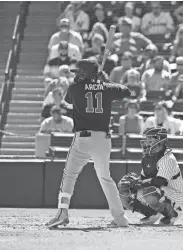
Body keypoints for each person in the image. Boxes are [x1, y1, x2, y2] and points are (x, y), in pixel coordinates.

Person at [45, 59, 134, 228]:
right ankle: (120, 219)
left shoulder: (74, 88)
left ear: (85, 73)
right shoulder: (107, 87)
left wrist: (94, 83)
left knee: (70, 175)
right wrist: (104, 82)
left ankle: (63, 212)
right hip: (103, 140)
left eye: (79, 72)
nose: (76, 75)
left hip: (83, 139)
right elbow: (127, 91)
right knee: (105, 178)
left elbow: (69, 99)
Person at [117, 127, 183, 225]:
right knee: (125, 192)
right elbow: (144, 178)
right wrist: (134, 182)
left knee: (150, 191)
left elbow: (159, 181)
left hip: (175, 197)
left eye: (150, 139)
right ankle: (152, 214)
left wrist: (139, 183)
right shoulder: (147, 158)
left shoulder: (168, 158)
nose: (147, 142)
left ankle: (173, 214)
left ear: (160, 140)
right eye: (146, 139)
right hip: (159, 192)